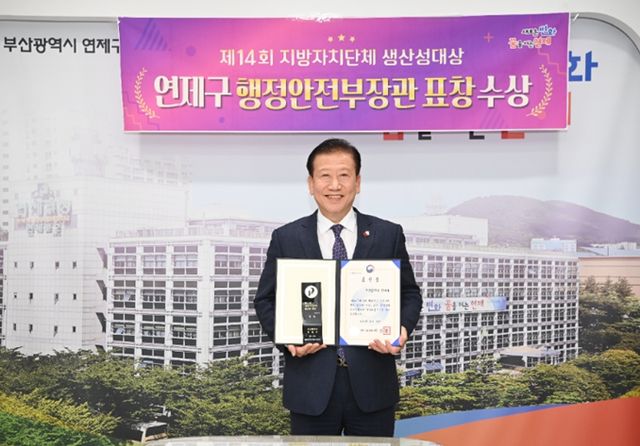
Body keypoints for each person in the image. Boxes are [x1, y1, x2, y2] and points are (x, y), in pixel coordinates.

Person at [254, 138, 422, 437]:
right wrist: (288, 340)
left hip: (372, 385)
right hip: (310, 387)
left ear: (358, 182)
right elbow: (266, 300)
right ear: (311, 183)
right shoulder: (287, 237)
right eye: (325, 176)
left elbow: (409, 293)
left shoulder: (388, 234)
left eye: (344, 175)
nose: (335, 185)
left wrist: (402, 331)